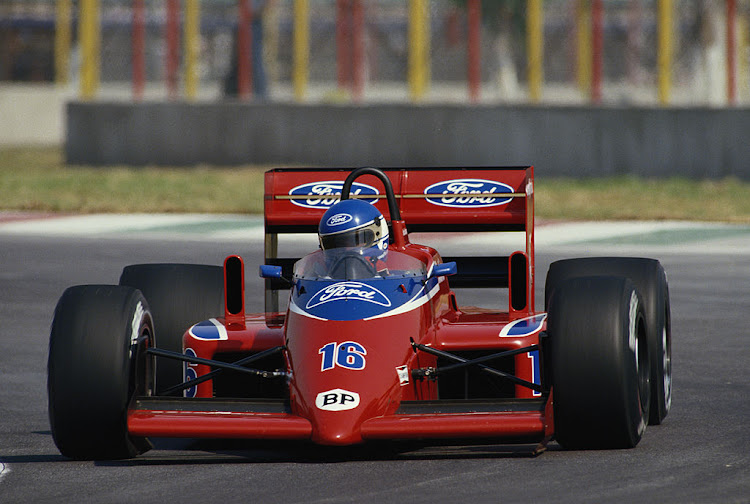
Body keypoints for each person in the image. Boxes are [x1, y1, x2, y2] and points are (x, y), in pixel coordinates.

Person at [317, 199, 389, 278]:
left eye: (355, 242)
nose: (348, 250)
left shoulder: (400, 270)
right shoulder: (316, 269)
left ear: (379, 235)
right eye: (339, 245)